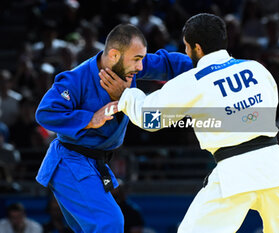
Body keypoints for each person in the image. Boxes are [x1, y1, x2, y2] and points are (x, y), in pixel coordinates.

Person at [100, 13, 279, 233]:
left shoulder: (195, 81)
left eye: (186, 46)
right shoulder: (257, 69)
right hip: (273, 164)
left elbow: (150, 118)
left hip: (235, 171)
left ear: (197, 48)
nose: (185, 52)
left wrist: (125, 96)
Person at [35, 24, 192, 233]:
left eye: (142, 59)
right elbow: (45, 112)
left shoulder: (130, 65)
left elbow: (167, 63)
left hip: (96, 163)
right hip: (70, 163)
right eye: (136, 60)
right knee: (110, 222)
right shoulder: (76, 79)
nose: (140, 67)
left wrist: (211, 63)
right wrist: (91, 118)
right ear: (114, 55)